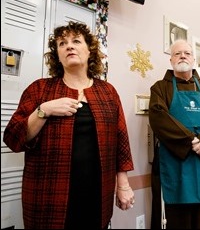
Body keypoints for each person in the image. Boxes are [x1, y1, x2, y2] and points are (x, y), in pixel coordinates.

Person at [2, 21, 135, 229]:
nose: (69, 46)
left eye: (75, 41)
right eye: (62, 43)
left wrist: (124, 185)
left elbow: (121, 141)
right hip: (48, 196)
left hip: (97, 195)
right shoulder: (39, 89)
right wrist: (44, 110)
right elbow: (13, 139)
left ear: (89, 49)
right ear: (57, 54)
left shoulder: (108, 92)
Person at [148, 39, 200, 229]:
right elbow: (159, 119)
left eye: (187, 53)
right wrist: (192, 141)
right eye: (177, 53)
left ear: (193, 59)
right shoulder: (160, 88)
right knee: (178, 220)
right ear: (171, 60)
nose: (182, 56)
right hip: (176, 162)